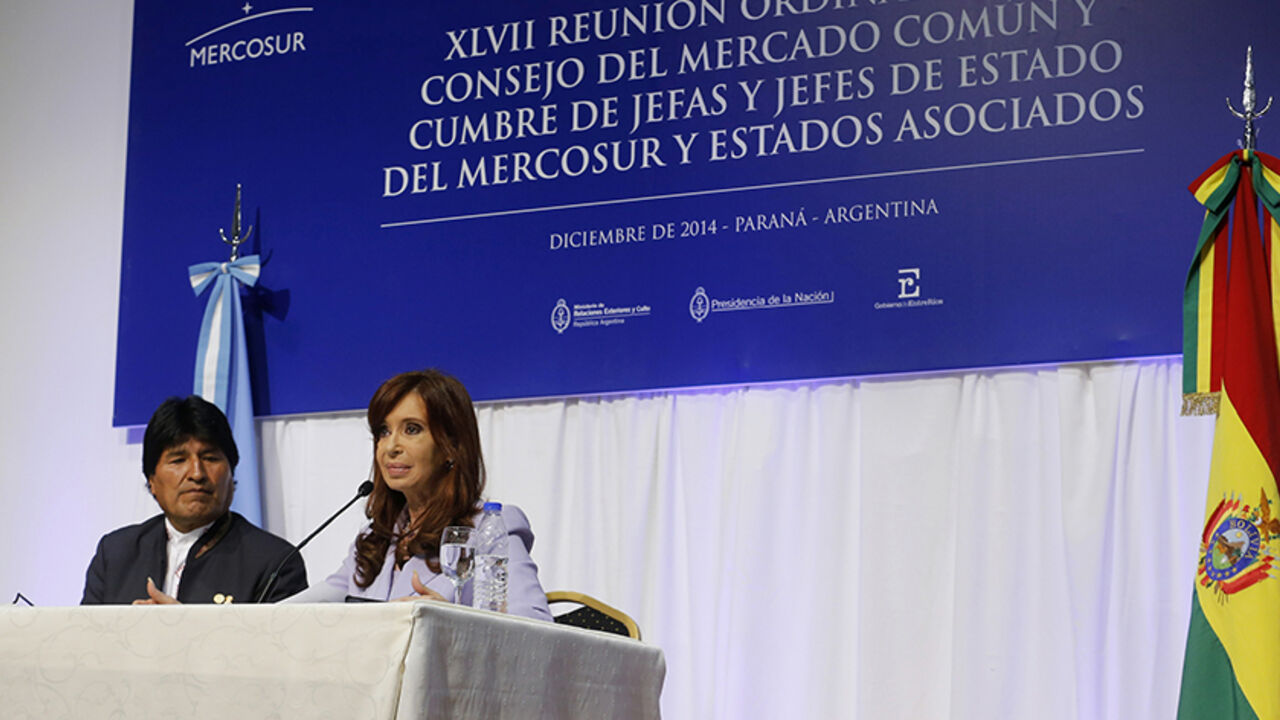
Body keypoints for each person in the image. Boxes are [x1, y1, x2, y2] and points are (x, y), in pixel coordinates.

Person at [287, 369, 552, 621]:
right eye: (383, 431)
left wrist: (451, 622)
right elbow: (312, 609)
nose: (391, 447)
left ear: (451, 447)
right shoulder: (376, 540)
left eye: (412, 429)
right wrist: (250, 621)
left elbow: (536, 628)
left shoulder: (490, 528)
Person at [81, 395, 307, 604]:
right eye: (178, 460)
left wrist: (183, 628)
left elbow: (278, 647)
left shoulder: (275, 562)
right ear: (152, 480)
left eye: (210, 458)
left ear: (232, 473)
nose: (197, 473)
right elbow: (86, 641)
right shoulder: (115, 554)